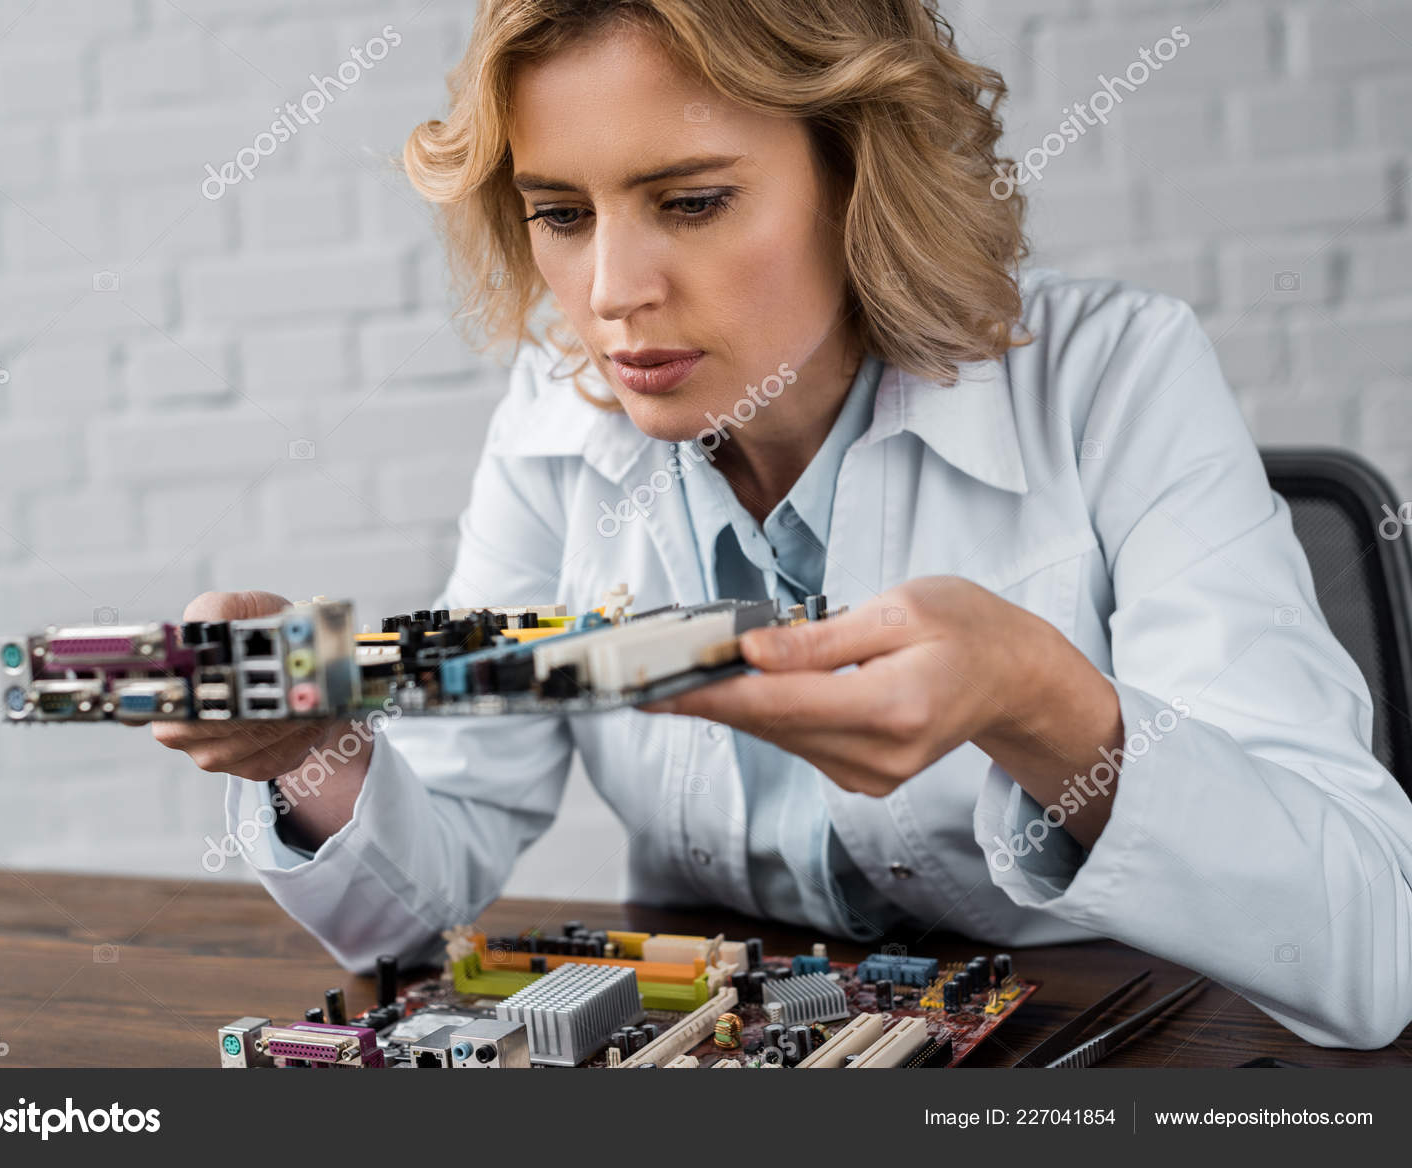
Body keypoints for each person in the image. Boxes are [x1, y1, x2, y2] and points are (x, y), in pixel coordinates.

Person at [153, 0, 1412, 1048]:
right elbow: (415, 904)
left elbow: (1369, 950)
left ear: (857, 176)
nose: (611, 294)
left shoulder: (1116, 378)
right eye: (561, 213)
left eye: (691, 201)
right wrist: (307, 758)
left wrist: (1041, 705)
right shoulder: (556, 417)